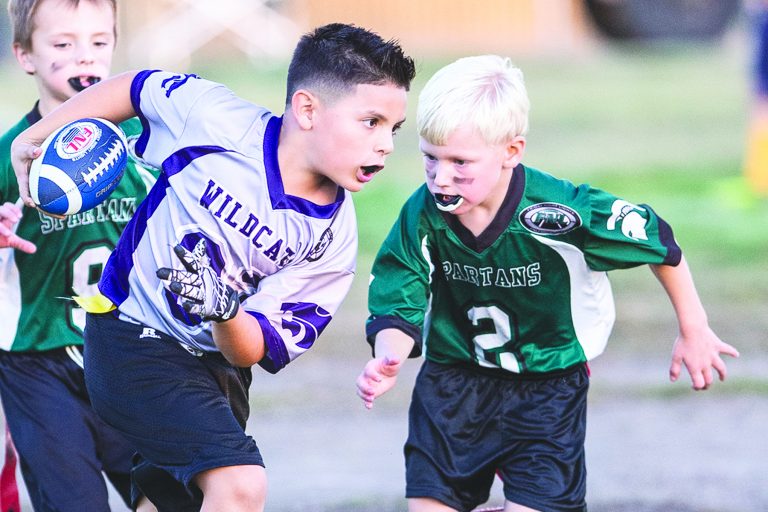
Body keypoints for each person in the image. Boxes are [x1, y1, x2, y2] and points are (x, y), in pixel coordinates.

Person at [10, 22, 415, 512]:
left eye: (393, 129)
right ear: (308, 109)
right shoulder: (213, 118)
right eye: (370, 121)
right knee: (241, 484)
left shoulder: (333, 240)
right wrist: (33, 137)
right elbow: (134, 88)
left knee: (176, 502)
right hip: (131, 336)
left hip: (216, 368)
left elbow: (250, 351)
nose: (386, 144)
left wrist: (224, 310)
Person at [355, 55, 740, 512]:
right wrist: (390, 354)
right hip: (452, 383)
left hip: (547, 387)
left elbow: (659, 241)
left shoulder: (559, 212)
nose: (441, 177)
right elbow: (402, 287)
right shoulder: (423, 214)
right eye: (430, 158)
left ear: (511, 153)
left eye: (461, 162)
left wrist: (693, 328)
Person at [0, 0, 159, 511]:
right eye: (62, 44)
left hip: (130, 355)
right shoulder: (11, 154)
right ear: (25, 55)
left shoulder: (148, 143)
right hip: (38, 361)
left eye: (98, 42)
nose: (83, 58)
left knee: (170, 496)